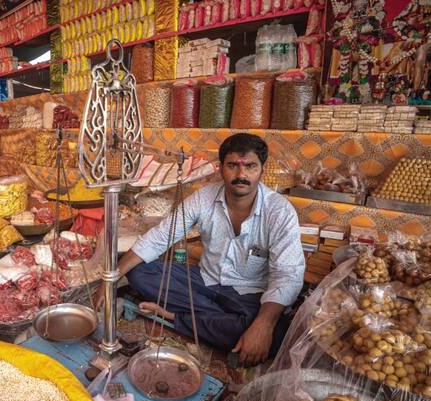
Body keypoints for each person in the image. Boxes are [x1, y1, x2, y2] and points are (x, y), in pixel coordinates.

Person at [96, 133, 305, 365]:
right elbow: (159, 237)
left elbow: (287, 275)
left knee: (276, 333)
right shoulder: (203, 198)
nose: (241, 175)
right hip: (205, 280)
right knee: (138, 271)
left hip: (249, 292)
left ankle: (177, 317)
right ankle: (215, 321)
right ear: (221, 168)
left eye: (250, 167)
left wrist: (263, 325)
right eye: (233, 165)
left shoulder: (279, 212)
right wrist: (110, 280)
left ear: (262, 170)